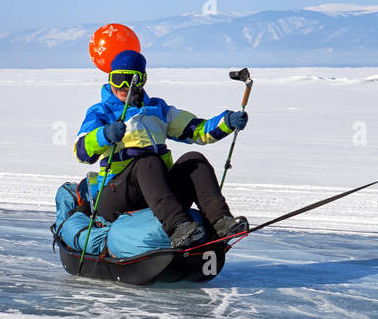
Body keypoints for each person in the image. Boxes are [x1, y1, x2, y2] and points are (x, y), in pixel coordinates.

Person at [73, 49, 250, 248]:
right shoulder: (101, 111)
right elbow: (81, 152)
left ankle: (220, 221)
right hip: (116, 194)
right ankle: (178, 227)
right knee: (147, 162)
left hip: (157, 190)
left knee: (194, 159)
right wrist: (103, 135)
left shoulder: (158, 109)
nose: (122, 86)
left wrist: (227, 122)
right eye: (117, 79)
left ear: (142, 81)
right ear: (110, 79)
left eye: (131, 79)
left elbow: (196, 131)